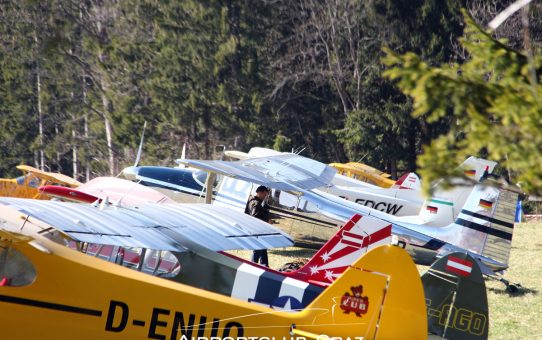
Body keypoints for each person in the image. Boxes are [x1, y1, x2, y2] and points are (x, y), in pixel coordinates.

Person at [244, 185, 270, 267]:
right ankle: (253, 266)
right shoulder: (256, 202)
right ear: (259, 192)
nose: (265, 197)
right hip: (257, 229)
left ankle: (265, 266)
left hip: (257, 229)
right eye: (264, 194)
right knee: (258, 249)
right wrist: (267, 221)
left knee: (263, 248)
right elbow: (255, 217)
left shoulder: (252, 200)